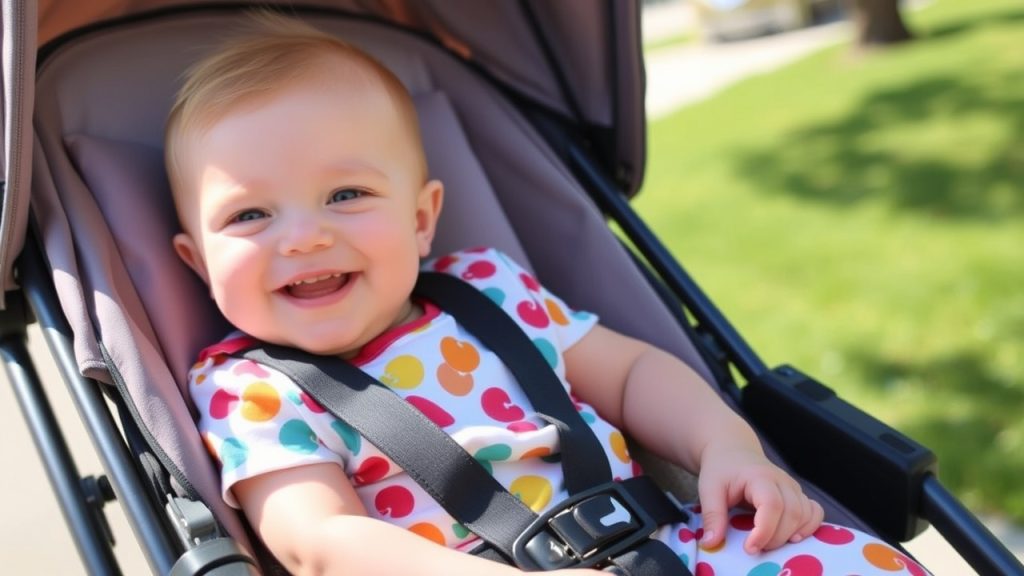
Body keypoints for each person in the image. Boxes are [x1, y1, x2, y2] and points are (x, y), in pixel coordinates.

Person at [166, 13, 929, 576]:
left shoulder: (489, 290)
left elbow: (632, 375)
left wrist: (726, 446)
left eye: (345, 193)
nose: (301, 237)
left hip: (665, 544)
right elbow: (321, 541)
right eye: (250, 215)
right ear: (197, 263)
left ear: (424, 218)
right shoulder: (252, 390)